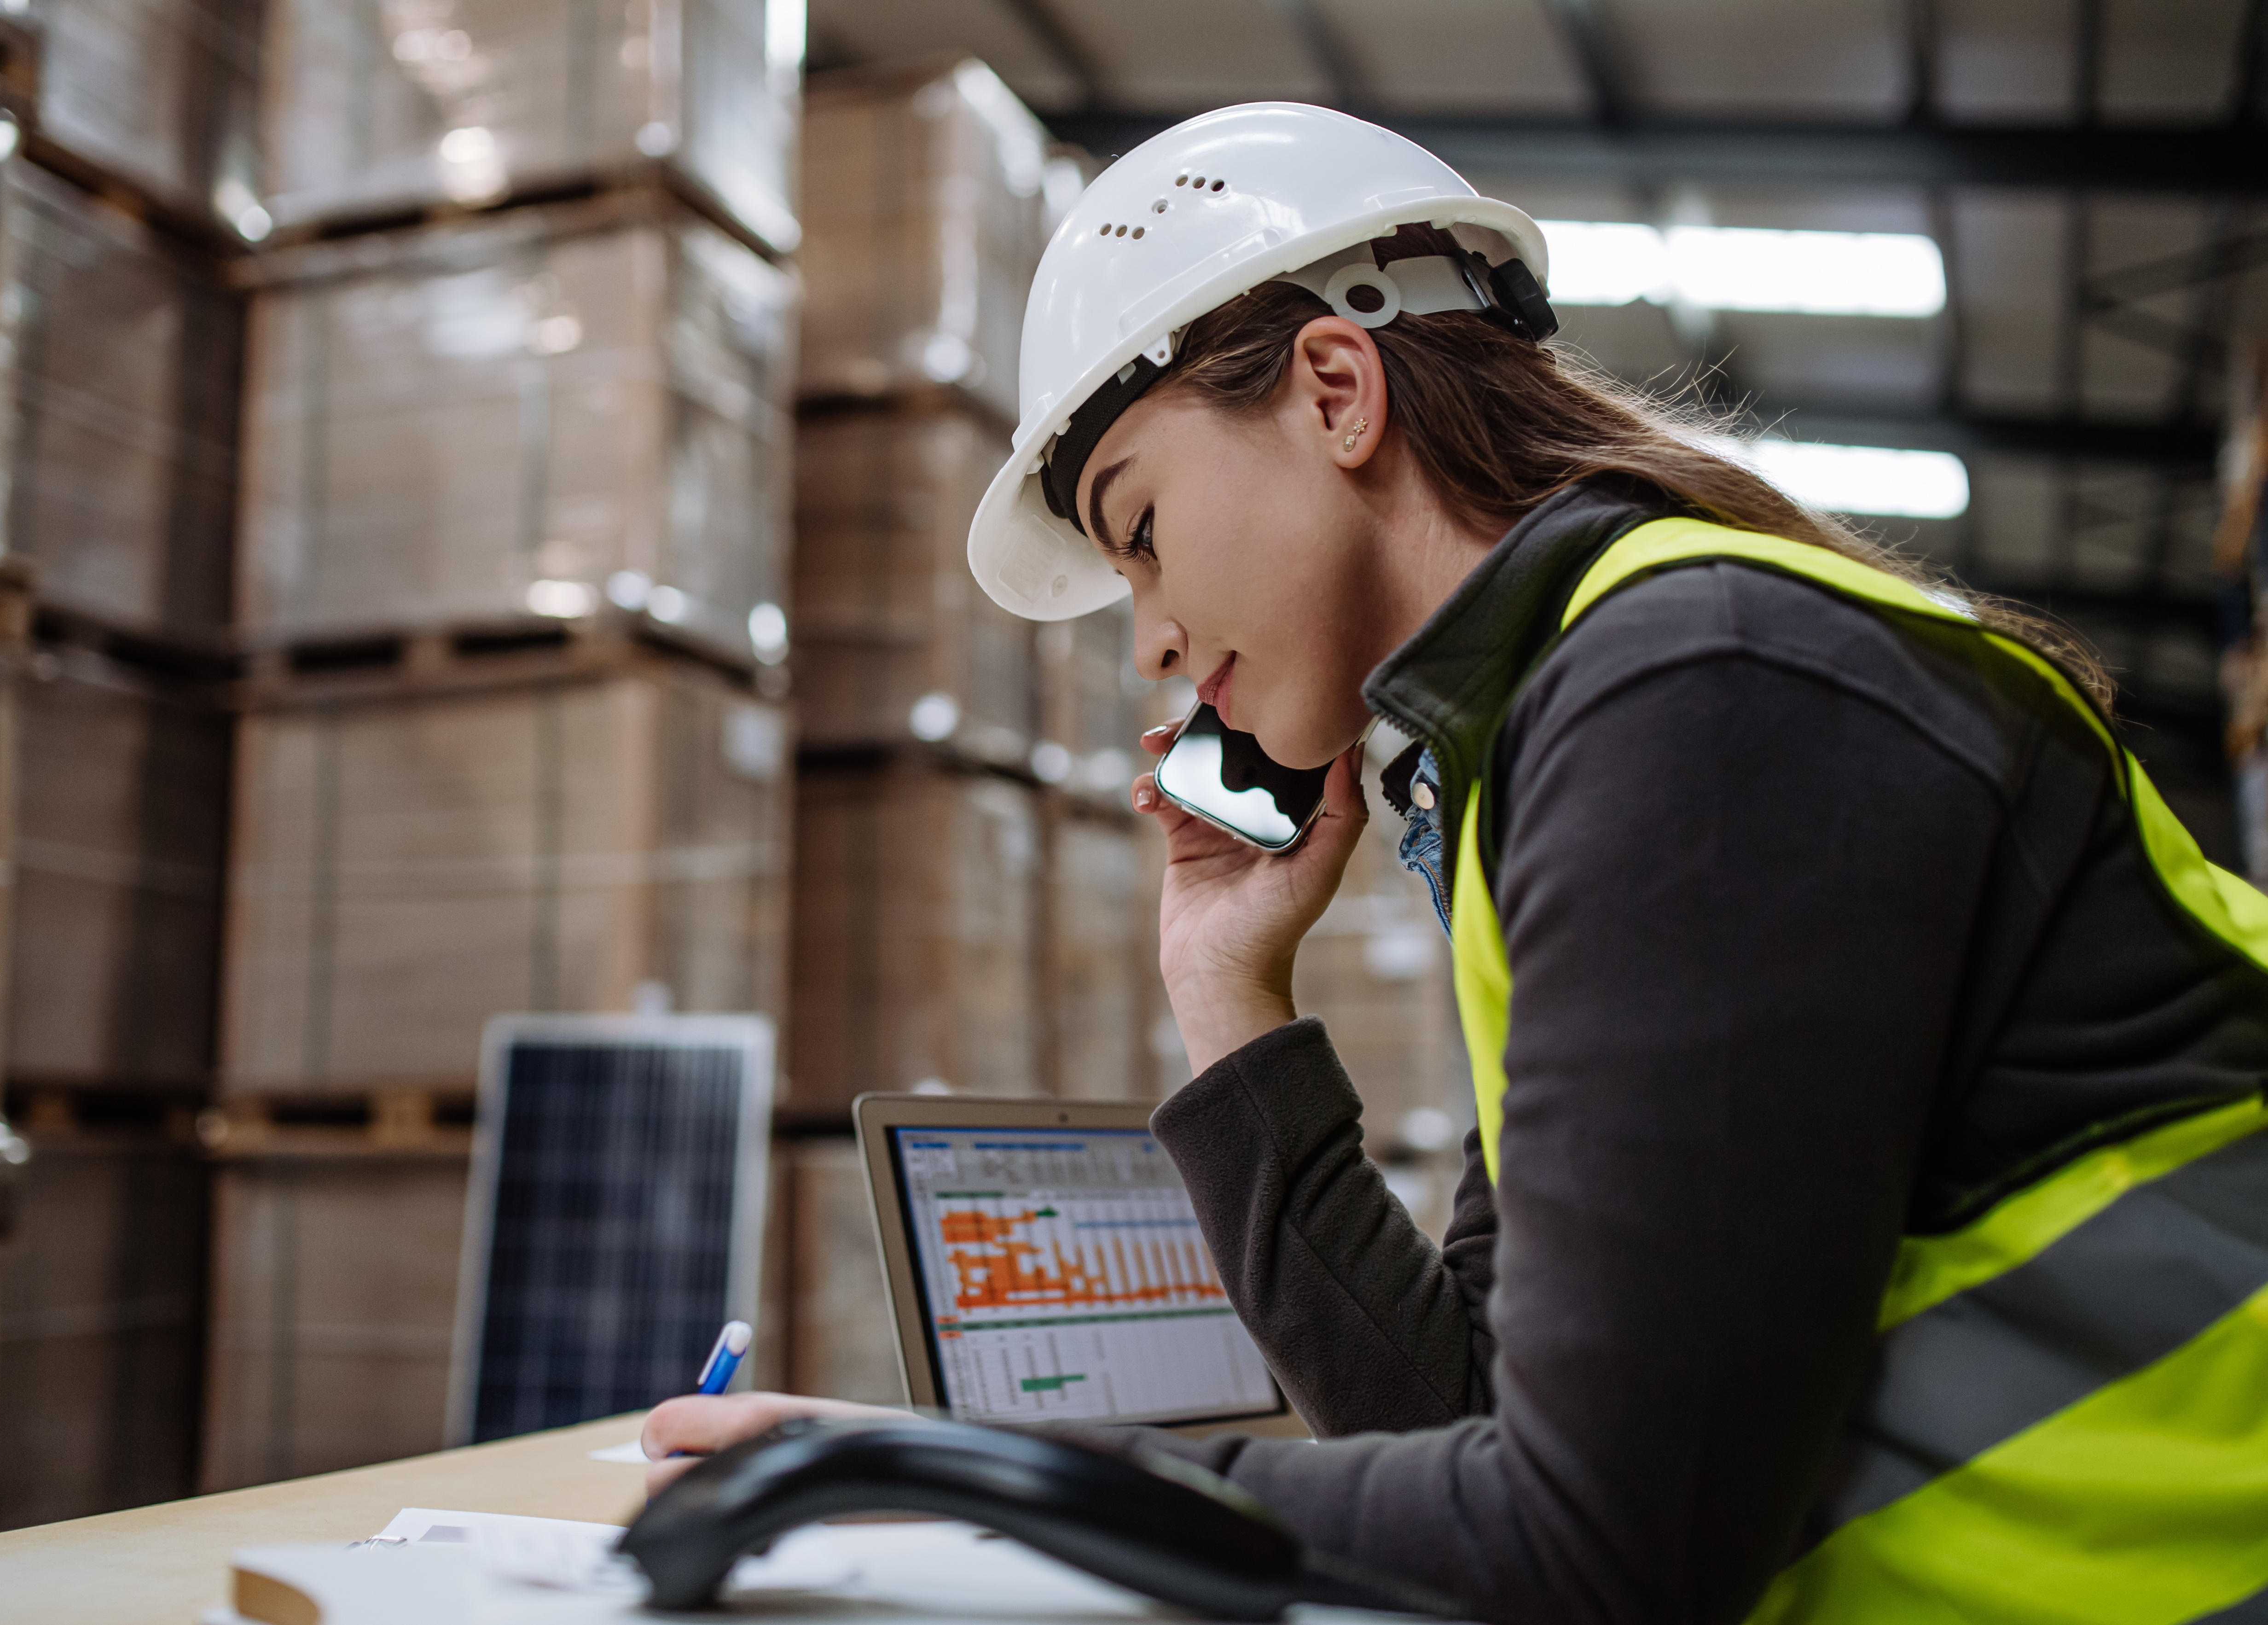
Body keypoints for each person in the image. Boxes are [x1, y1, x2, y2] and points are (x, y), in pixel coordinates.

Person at [643, 105, 2268, 1623]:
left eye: (1139, 530)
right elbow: (1459, 1422)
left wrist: (983, 1486)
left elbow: (1603, 1553)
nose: (1146, 641)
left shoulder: (1698, 693)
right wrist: (1228, 992)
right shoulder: (1571, 749)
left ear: (1338, 392)